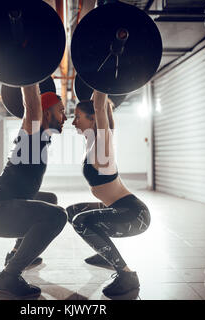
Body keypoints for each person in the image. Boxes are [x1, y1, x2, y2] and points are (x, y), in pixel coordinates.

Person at [0, 85, 68, 298]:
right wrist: (30, 74)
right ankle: (9, 275)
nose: (65, 116)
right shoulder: (32, 132)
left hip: (0, 207)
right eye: (61, 110)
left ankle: (16, 252)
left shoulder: (41, 138)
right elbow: (30, 103)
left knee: (49, 199)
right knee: (58, 216)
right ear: (45, 113)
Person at [66, 91, 151, 297]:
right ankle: (104, 253)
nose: (73, 122)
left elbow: (100, 109)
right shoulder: (95, 141)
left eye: (78, 117)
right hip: (120, 208)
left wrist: (100, 84)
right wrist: (99, 95)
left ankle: (126, 275)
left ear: (93, 118)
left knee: (81, 221)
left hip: (133, 214)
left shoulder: (103, 145)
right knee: (72, 211)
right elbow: (104, 114)